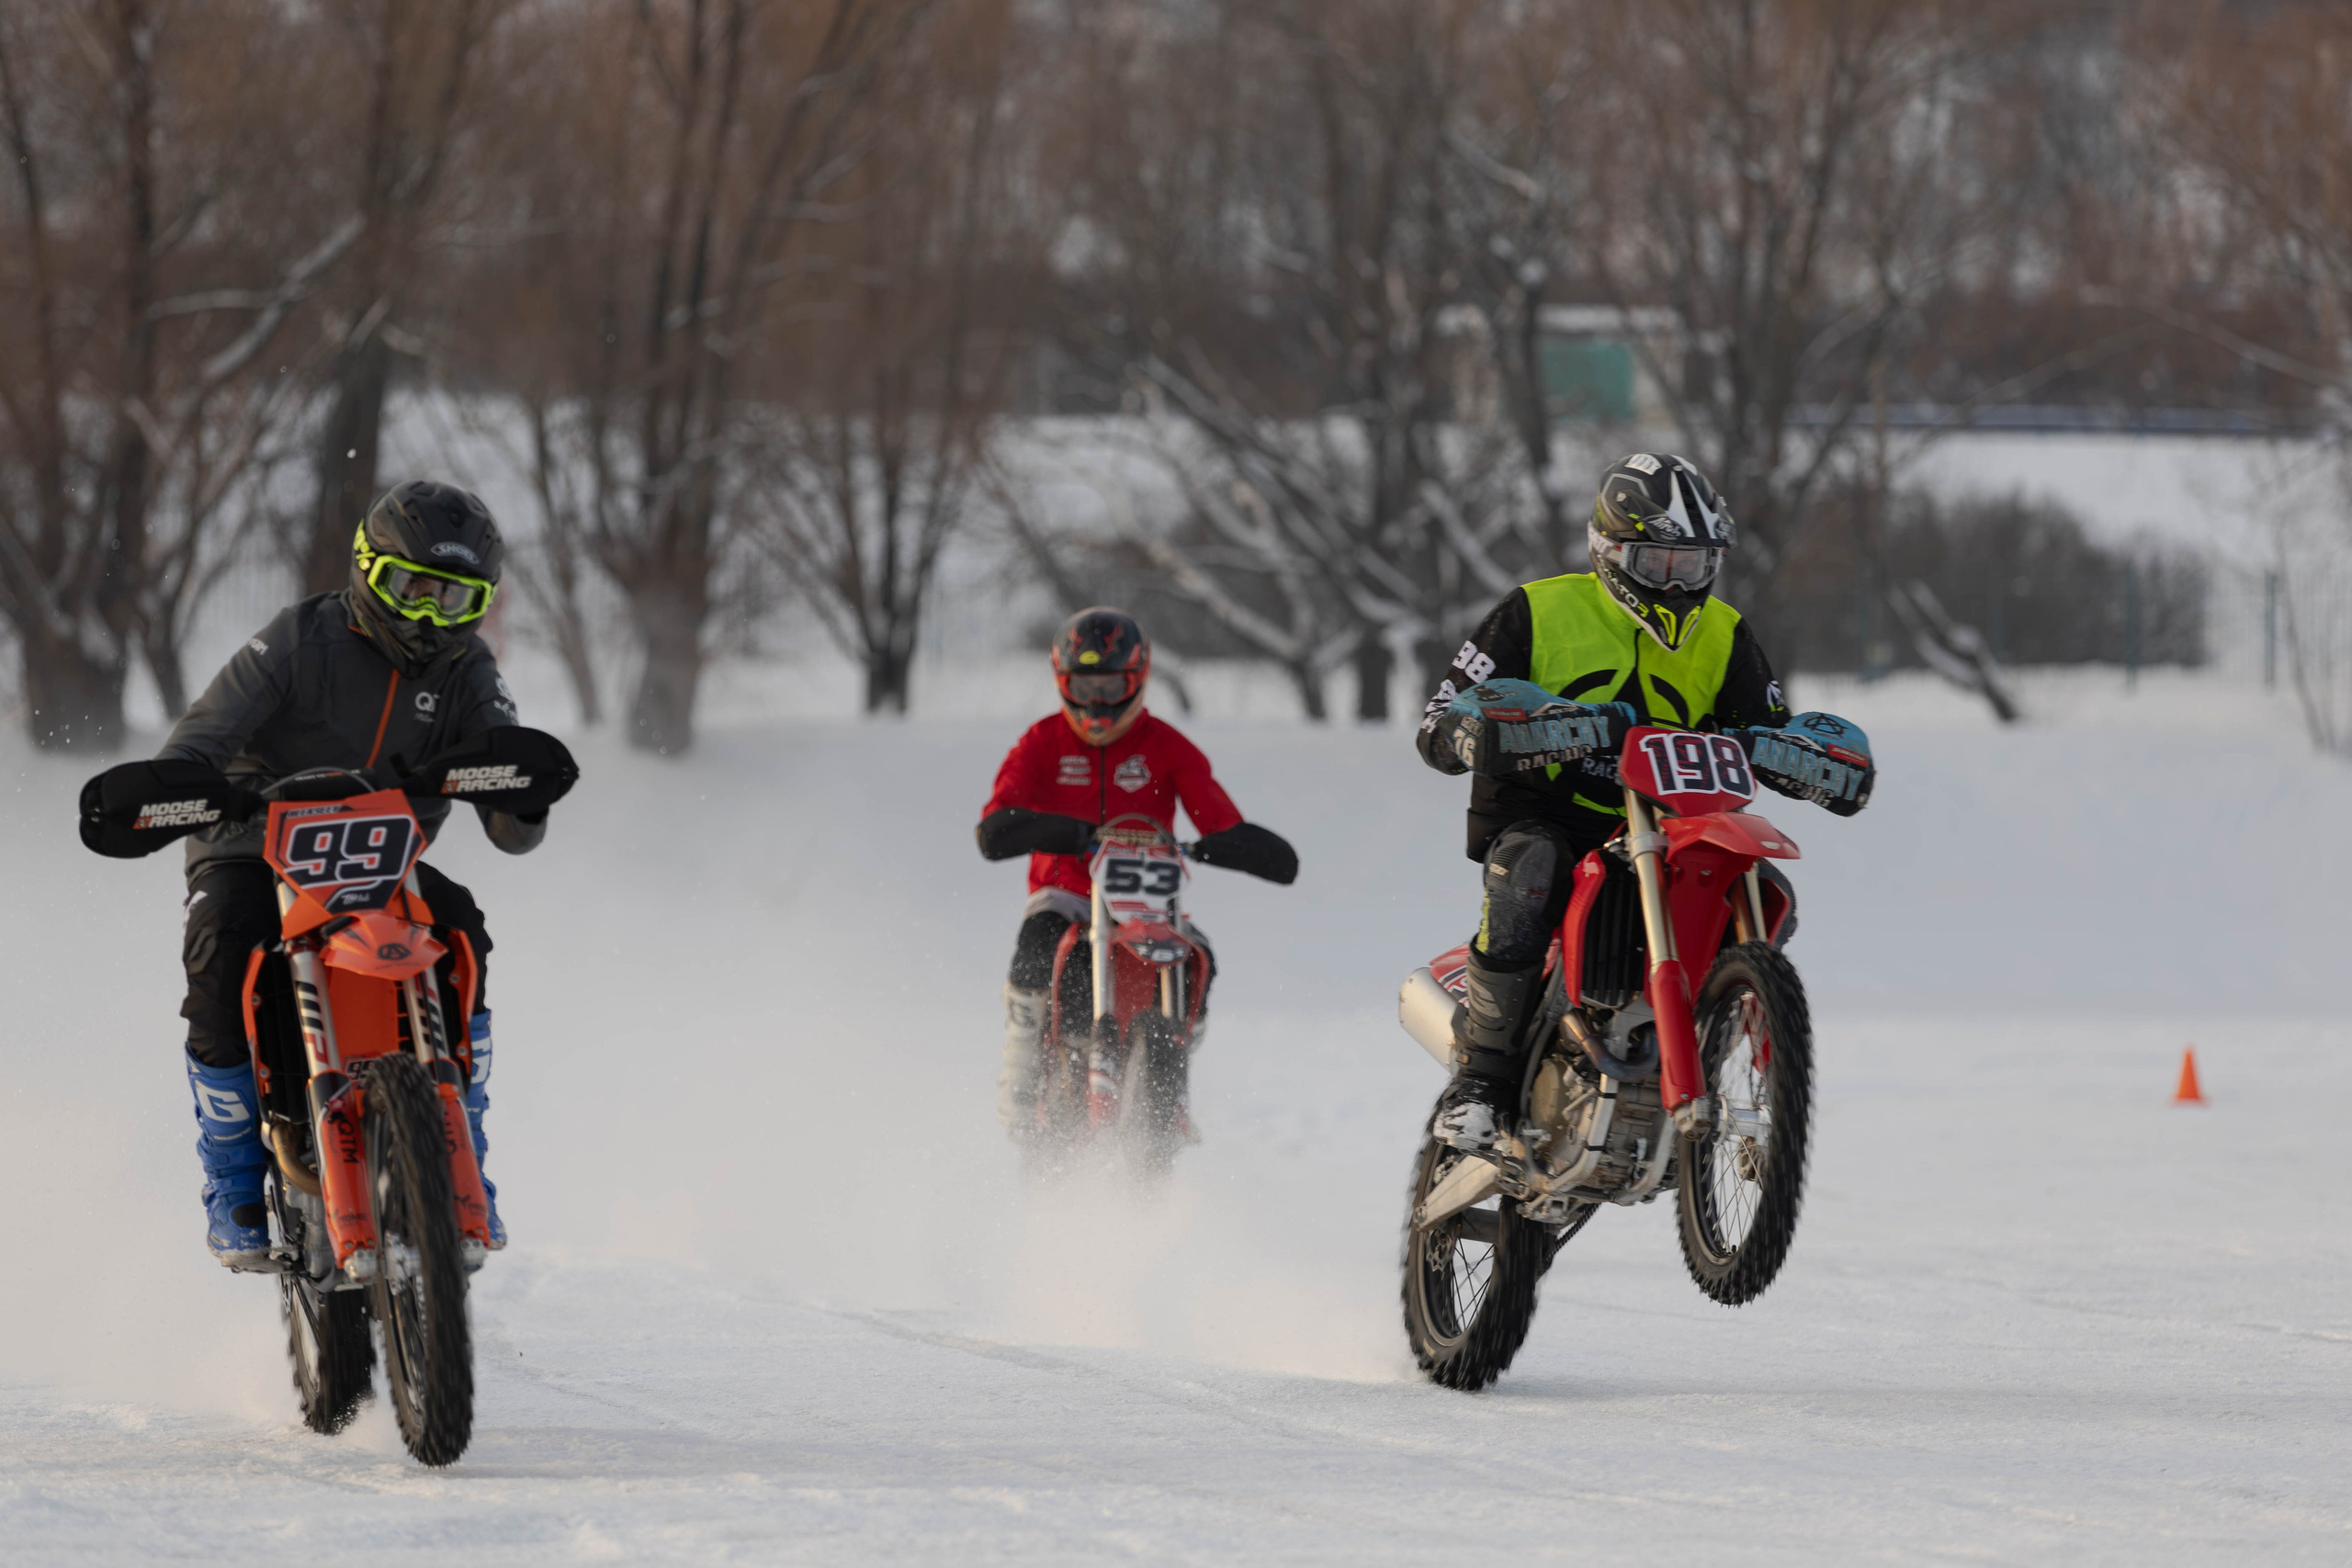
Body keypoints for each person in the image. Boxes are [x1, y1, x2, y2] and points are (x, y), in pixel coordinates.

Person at [1416, 453, 1874, 1151]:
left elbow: (1773, 725)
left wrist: (1805, 755)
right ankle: (1480, 1080)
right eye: (1659, 562)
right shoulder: (1535, 610)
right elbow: (1437, 725)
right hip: (1549, 815)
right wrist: (1482, 728)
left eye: (1692, 564)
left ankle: (1715, 1047)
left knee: (1765, 885)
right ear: (1610, 549)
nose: (1677, 581)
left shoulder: (1725, 633)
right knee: (1531, 868)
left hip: (1674, 824)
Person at [160, 480, 546, 1267]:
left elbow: (511, 811)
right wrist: (186, 783)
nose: (430, 616)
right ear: (369, 569)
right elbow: (199, 737)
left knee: (463, 928)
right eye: (414, 590)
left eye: (455, 600)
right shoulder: (298, 640)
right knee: (219, 947)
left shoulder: (470, 671)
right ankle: (230, 1175)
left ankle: (463, 1140)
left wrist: (519, 792)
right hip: (251, 844)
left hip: (379, 861)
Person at [975, 608, 1296, 1130]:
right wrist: (1046, 830)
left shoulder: (1167, 746)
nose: (1096, 702)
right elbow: (997, 820)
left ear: (1137, 680)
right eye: (1084, 686)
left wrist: (1229, 843)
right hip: (1067, 891)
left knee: (1200, 954)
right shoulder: (1041, 742)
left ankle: (1167, 1073)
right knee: (1038, 939)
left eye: (1109, 686)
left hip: (1144, 901)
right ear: (1063, 683)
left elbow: (1218, 817)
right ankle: (1021, 1074)